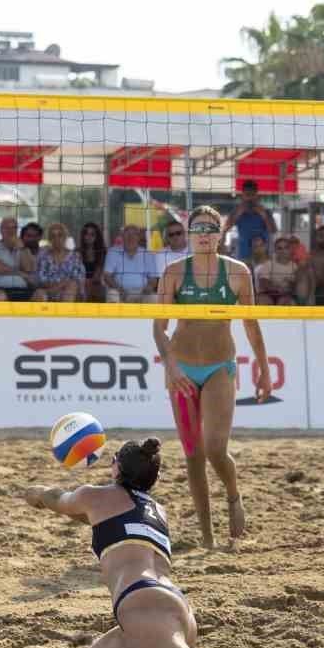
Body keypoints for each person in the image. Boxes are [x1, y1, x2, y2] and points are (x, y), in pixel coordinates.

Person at [20, 437, 324, 648]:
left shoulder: (94, 496)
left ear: (115, 466)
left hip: (145, 606)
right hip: (173, 607)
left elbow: (58, 499)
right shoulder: (158, 511)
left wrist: (35, 494)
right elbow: (100, 520)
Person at [154, 206, 270, 550]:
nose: (204, 234)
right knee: (193, 454)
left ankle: (233, 494)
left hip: (220, 366)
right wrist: (171, 365)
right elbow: (159, 328)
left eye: (210, 228)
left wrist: (264, 370)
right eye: (198, 228)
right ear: (190, 234)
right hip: (182, 370)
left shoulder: (237, 272)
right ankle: (207, 537)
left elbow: (251, 324)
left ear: (220, 235)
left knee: (216, 449)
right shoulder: (174, 272)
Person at [104, 224, 159, 304]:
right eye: (127, 234)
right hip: (119, 290)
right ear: (122, 237)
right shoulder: (113, 252)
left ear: (138, 237)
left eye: (134, 234)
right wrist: (118, 288)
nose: (131, 237)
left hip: (142, 291)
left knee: (155, 298)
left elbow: (153, 279)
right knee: (113, 294)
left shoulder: (147, 254)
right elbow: (107, 276)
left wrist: (148, 288)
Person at [34, 222, 86, 303]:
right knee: (39, 293)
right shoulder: (43, 256)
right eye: (53, 236)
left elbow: (78, 280)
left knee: (71, 287)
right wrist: (60, 285)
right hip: (49, 291)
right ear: (49, 239)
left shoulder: (75, 257)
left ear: (65, 237)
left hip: (71, 293)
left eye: (60, 235)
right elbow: (40, 280)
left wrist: (60, 286)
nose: (56, 239)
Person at [0, 217, 35, 302]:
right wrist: (21, 274)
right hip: (0, 288)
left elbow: (28, 269)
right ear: (1, 230)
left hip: (22, 288)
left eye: (14, 228)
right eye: (7, 228)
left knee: (40, 295)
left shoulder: (22, 248)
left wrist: (22, 248)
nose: (11, 231)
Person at [226, 179, 274, 263]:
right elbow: (226, 228)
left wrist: (264, 216)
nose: (250, 198)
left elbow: (273, 230)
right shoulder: (236, 211)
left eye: (252, 195)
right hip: (243, 256)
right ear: (242, 196)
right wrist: (238, 213)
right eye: (247, 195)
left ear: (257, 196)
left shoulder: (266, 211)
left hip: (262, 256)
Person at [254, 236, 300, 306]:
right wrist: (275, 288)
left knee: (287, 302)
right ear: (275, 251)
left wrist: (290, 287)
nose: (283, 251)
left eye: (286, 247)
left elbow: (296, 285)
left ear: (290, 249)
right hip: (268, 294)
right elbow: (263, 281)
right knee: (262, 300)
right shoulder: (269, 264)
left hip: (286, 295)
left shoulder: (295, 266)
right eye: (279, 248)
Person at [77, 222, 108, 304]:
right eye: (86, 234)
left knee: (97, 290)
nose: (88, 237)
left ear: (97, 236)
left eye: (92, 234)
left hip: (96, 284)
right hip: (80, 284)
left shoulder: (103, 252)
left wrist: (87, 283)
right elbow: (76, 274)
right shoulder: (77, 252)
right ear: (83, 236)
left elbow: (97, 276)